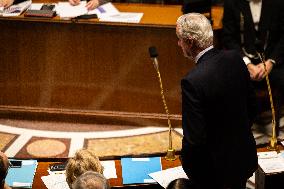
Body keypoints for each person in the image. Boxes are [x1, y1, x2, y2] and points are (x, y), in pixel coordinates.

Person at [176, 13, 258, 189]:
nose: (178, 44)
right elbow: (253, 107)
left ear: (190, 42)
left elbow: (194, 139)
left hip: (212, 173)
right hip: (242, 159)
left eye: (180, 40)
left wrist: (189, 167)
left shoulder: (192, 81)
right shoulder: (235, 58)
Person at [222, 0, 284, 92]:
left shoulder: (278, 3)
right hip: (241, 60)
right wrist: (247, 64)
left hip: (272, 61)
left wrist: (270, 62)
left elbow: (282, 38)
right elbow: (229, 39)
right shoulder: (231, 3)